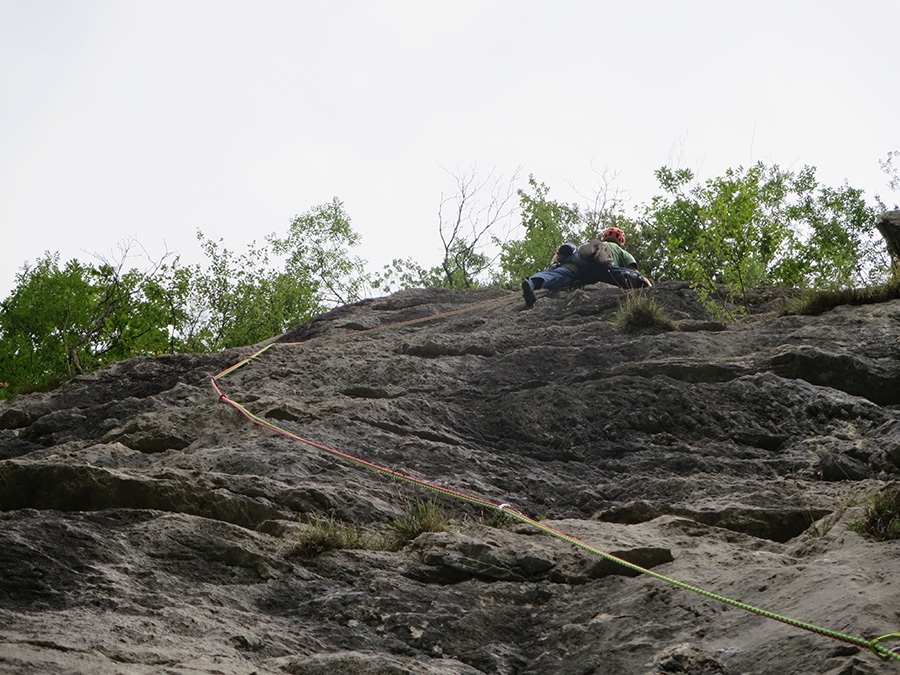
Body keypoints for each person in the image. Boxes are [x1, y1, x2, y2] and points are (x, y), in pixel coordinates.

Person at [521, 226, 651, 307]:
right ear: (621, 243)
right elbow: (632, 269)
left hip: (577, 261)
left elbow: (559, 255)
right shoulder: (622, 251)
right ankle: (637, 281)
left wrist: (552, 264)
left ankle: (532, 283)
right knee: (616, 273)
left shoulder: (592, 244)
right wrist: (648, 285)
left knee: (557, 275)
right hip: (600, 266)